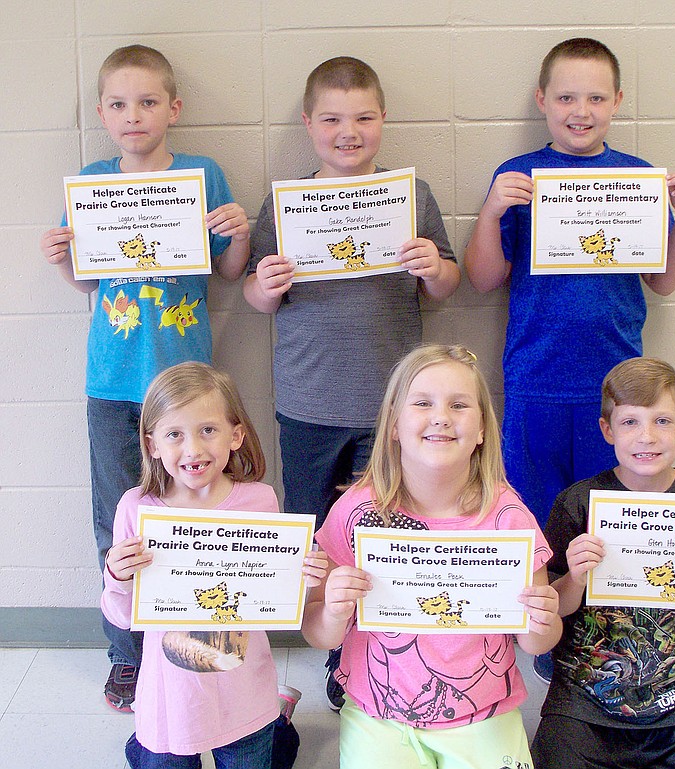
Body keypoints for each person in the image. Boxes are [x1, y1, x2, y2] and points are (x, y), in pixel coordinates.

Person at [244, 55, 460, 709]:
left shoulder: (411, 196)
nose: (349, 130)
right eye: (333, 118)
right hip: (307, 404)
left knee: (384, 535)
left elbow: (448, 286)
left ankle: (368, 657)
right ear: (309, 123)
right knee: (318, 535)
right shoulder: (285, 202)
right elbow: (253, 295)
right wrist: (266, 284)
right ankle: (333, 644)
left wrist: (432, 268)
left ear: (383, 120)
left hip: (393, 410)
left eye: (364, 116)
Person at [39, 44, 251, 710]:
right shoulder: (92, 180)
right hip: (111, 384)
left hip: (187, 391)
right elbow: (87, 281)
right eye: (119, 104)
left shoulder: (201, 172)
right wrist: (60, 258)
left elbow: (227, 268)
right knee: (118, 525)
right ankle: (126, 656)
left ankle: (208, 640)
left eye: (149, 101)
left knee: (203, 517)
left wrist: (238, 231)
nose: (134, 115)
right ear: (103, 113)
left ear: (173, 108)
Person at [464, 38, 675, 532]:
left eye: (596, 98)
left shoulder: (639, 178)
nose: (581, 111)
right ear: (542, 100)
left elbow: (663, 282)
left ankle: (599, 613)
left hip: (619, 389)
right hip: (536, 379)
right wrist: (491, 212)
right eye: (566, 98)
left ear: (617, 101)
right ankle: (546, 609)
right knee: (535, 520)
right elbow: (484, 279)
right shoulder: (517, 176)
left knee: (611, 524)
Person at [302, 344, 562, 769]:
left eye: (459, 405)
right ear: (394, 426)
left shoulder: (507, 515)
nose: (441, 416)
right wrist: (332, 610)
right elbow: (318, 635)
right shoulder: (355, 510)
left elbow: (537, 643)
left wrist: (544, 620)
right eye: (422, 403)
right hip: (377, 712)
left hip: (483, 710)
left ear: (481, 429)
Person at [530, 357, 675, 769]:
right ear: (607, 430)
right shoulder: (577, 502)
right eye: (630, 422)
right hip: (582, 699)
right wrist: (576, 577)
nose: (647, 437)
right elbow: (553, 607)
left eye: (661, 421)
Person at [101, 362, 327, 768]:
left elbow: (276, 599)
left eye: (208, 430)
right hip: (170, 691)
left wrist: (305, 575)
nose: (193, 449)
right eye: (174, 434)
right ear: (152, 444)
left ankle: (278, 721)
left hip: (243, 687)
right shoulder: (137, 508)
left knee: (256, 755)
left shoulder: (259, 500)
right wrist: (118, 576)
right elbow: (120, 615)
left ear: (235, 435)